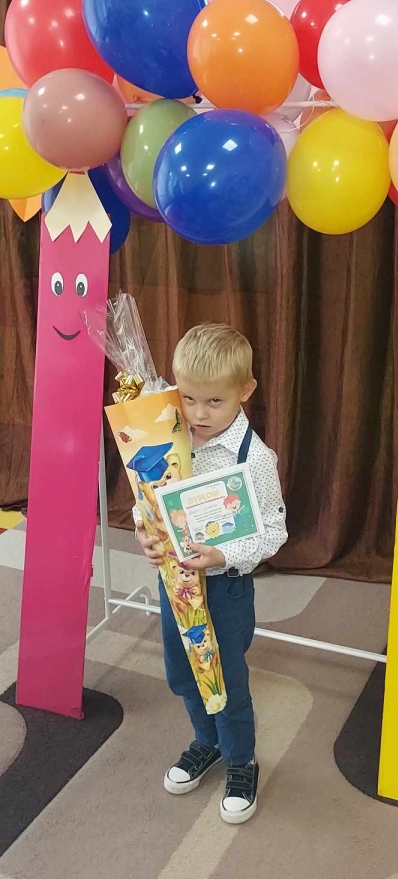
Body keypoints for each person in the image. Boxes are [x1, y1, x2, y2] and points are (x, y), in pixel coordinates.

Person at [134, 323, 287, 824]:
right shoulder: (170, 436)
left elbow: (274, 532)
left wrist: (222, 557)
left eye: (214, 401)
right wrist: (145, 533)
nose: (198, 413)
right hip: (175, 585)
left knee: (225, 678)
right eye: (188, 398)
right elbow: (148, 500)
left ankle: (241, 760)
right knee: (182, 673)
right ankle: (209, 742)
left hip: (225, 590)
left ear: (245, 391)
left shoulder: (254, 458)